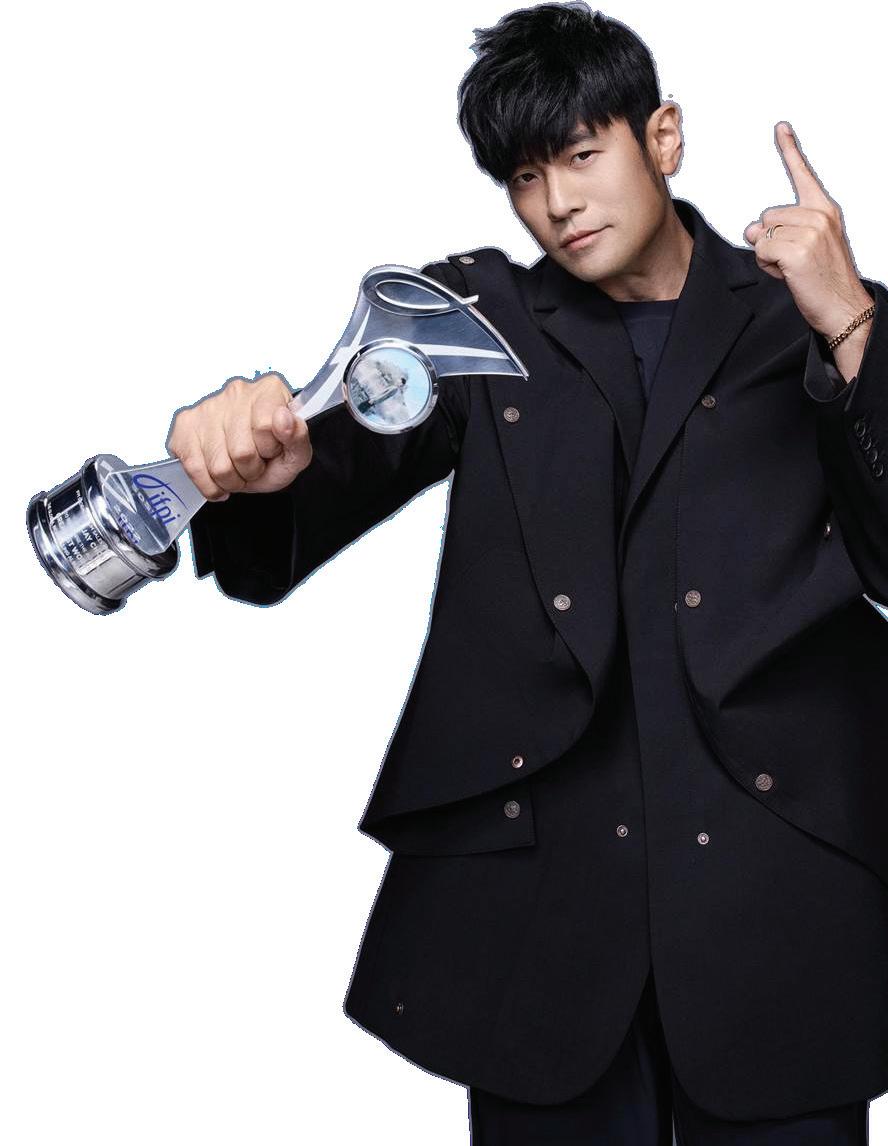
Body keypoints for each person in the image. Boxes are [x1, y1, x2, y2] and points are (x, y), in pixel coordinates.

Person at [168, 4, 888, 1142]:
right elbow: (290, 523)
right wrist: (254, 474)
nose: (557, 202)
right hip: (546, 927)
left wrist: (853, 324)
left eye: (583, 154)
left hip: (779, 906)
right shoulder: (474, 323)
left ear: (663, 137)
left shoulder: (812, 314)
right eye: (524, 176)